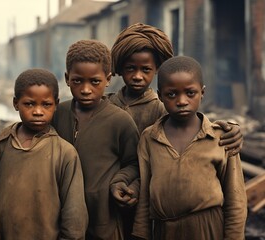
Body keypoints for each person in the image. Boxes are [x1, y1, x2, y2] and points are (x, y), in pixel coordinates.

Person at [108, 22, 244, 239]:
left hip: (193, 220)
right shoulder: (110, 110)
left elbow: (234, 197)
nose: (137, 76)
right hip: (121, 205)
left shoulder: (163, 111)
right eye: (130, 68)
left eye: (146, 69)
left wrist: (233, 129)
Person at [132, 56, 247, 240]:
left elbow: (236, 199)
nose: (182, 101)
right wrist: (141, 233)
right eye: (172, 94)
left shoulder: (219, 137)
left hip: (208, 227)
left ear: (202, 92)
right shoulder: (150, 137)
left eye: (190, 93)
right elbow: (145, 192)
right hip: (165, 230)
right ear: (160, 95)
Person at [0, 69, 88, 240]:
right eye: (29, 104)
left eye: (46, 104)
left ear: (56, 104)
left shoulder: (65, 153)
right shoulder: (1, 144)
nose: (38, 111)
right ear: (16, 103)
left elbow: (74, 217)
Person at [51, 39, 139, 240]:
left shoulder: (120, 121)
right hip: (60, 217)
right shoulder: (57, 114)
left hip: (103, 221)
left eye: (95, 81)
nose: (85, 89)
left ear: (108, 79)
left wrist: (119, 182)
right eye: (77, 81)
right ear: (66, 78)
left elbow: (134, 163)